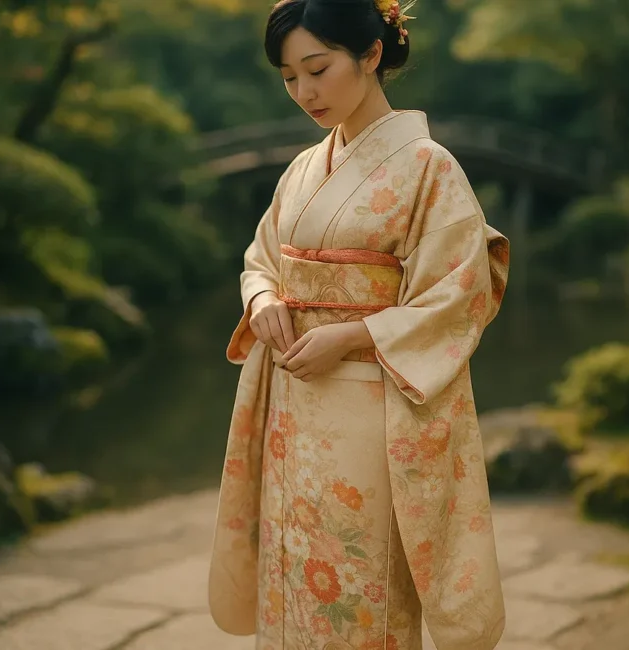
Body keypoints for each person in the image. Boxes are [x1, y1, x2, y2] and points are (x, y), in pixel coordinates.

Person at [208, 0, 510, 647]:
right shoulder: (300, 170)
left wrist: (351, 334)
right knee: (294, 568)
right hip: (292, 402)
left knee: (360, 575)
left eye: (317, 68)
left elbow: (458, 294)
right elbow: (262, 258)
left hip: (372, 404)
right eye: (289, 78)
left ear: (371, 54)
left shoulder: (430, 167)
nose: (304, 91)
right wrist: (262, 301)